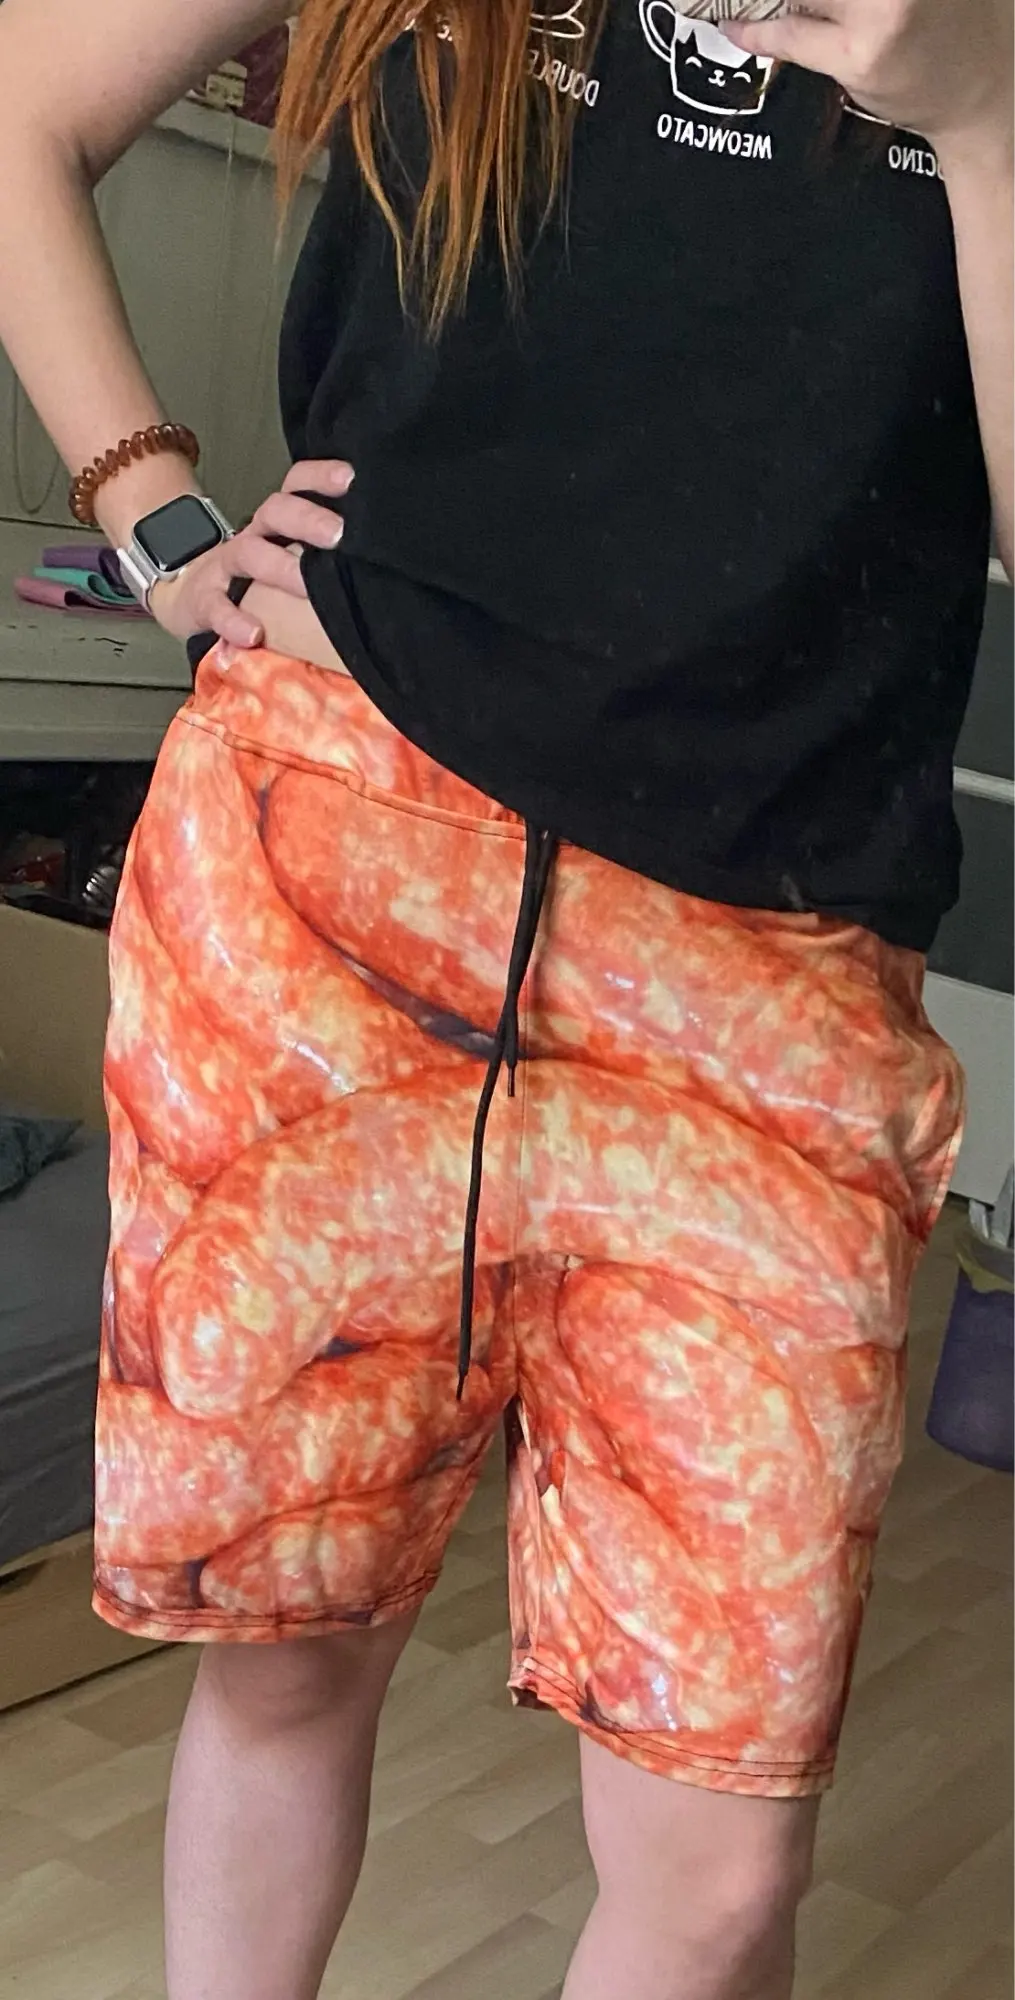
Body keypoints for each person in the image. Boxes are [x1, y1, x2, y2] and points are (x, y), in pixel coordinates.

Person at [0, 1, 1010, 1995]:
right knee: (285, 1659)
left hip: (775, 962)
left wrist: (983, 114)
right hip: (332, 853)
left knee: (719, 1857)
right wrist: (153, 515)